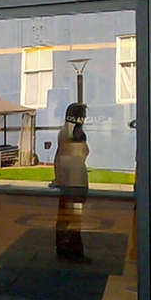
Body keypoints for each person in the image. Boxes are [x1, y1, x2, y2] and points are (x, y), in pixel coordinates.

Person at [50, 102, 91, 263]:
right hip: (75, 181)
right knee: (73, 219)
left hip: (70, 181)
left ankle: (65, 248)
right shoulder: (73, 134)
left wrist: (58, 178)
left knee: (67, 217)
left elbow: (60, 158)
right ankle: (73, 251)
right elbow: (79, 155)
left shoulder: (65, 132)